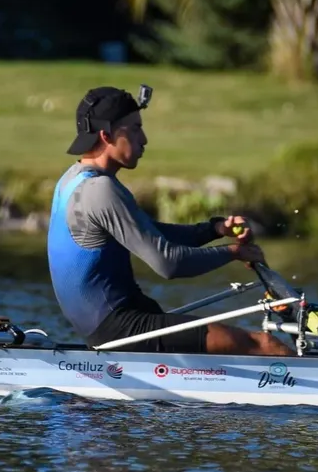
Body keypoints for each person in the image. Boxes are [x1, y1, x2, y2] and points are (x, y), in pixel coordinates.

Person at [47, 85, 293, 356]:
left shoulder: (72, 179)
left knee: (234, 345)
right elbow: (169, 263)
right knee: (266, 345)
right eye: (135, 128)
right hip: (120, 328)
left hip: (122, 316)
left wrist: (214, 229)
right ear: (106, 135)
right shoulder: (100, 190)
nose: (145, 139)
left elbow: (150, 233)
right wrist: (234, 252)